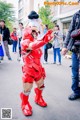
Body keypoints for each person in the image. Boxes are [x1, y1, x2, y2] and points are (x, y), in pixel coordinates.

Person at [20, 11, 53, 116]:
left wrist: (43, 40)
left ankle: (38, 98)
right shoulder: (24, 41)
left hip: (38, 68)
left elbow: (38, 47)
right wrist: (44, 41)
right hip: (29, 70)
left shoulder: (38, 38)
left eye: (36, 30)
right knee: (27, 89)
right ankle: (25, 104)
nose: (34, 32)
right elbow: (32, 45)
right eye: (32, 30)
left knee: (41, 86)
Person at [62, 9, 80, 100]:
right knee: (75, 73)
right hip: (76, 49)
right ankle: (76, 91)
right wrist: (65, 46)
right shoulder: (76, 15)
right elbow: (70, 31)